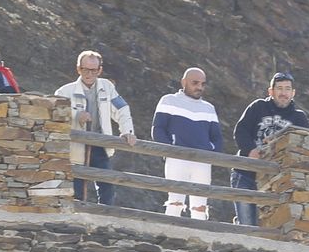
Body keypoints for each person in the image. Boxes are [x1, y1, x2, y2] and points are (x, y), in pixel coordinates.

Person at [54, 50, 137, 205]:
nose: (89, 74)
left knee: (106, 185)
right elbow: (56, 114)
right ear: (78, 69)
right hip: (74, 147)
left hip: (99, 144)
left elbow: (121, 109)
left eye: (93, 70)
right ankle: (77, 216)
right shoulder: (64, 91)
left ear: (100, 70)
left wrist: (127, 131)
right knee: (77, 188)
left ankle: (104, 216)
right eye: (85, 69)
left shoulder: (107, 87)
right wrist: (76, 116)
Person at [230, 71, 309, 227]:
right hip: (247, 173)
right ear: (271, 91)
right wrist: (251, 150)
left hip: (277, 180)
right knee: (248, 224)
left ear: (293, 93)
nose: (283, 93)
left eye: (287, 89)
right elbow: (241, 131)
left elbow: (304, 145)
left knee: (273, 226)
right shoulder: (258, 107)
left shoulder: (299, 118)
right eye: (279, 88)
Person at [152, 67, 223, 219]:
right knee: (175, 202)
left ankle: (199, 233)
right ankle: (170, 231)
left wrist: (210, 154)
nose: (199, 87)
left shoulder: (209, 108)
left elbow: (217, 138)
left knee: (200, 206)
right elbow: (158, 129)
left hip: (202, 162)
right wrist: (170, 151)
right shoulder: (169, 100)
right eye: (195, 83)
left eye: (203, 84)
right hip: (176, 158)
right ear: (183, 82)